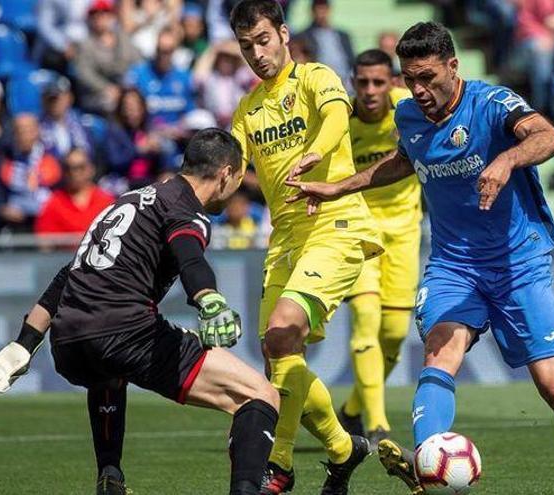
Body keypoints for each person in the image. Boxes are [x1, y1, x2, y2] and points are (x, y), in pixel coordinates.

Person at [286, 21, 554, 495]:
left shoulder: (492, 104)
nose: (418, 88)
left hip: (519, 265)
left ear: (453, 66)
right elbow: (404, 161)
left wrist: (507, 159)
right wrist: (336, 188)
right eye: (410, 78)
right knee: (441, 350)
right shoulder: (409, 116)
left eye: (428, 77)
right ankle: (428, 466)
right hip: (454, 266)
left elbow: (548, 137)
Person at [0, 128, 280, 495]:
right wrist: (209, 299)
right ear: (227, 174)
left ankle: (110, 476)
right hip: (123, 331)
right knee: (259, 394)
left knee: (108, 371)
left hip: (68, 340)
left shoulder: (129, 200)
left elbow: (68, 273)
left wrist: (25, 342)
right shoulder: (185, 208)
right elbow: (189, 256)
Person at [228, 1, 383, 493]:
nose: (257, 53)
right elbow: (228, 173)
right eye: (246, 45)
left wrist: (317, 150)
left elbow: (338, 116)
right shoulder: (247, 109)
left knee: (280, 333)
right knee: (279, 355)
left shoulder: (316, 77)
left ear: (283, 33)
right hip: (285, 240)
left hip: (335, 223)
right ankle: (343, 449)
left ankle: (282, 462)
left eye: (263, 40)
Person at [334, 49, 419, 448]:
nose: (370, 91)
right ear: (353, 82)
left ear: (392, 83)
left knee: (396, 333)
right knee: (366, 316)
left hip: (405, 230)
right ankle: (377, 424)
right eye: (363, 82)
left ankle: (351, 409)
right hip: (360, 228)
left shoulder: (410, 108)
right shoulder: (339, 120)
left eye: (379, 82)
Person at [0, 114, 62, 232]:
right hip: (16, 222)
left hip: (47, 219)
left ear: (37, 132)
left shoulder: (52, 160)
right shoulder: (4, 162)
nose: (24, 136)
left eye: (29, 131)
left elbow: (61, 194)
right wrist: (3, 210)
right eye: (19, 131)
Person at [75, 0, 141, 115]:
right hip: (98, 94)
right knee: (111, 102)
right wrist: (106, 88)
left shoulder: (122, 38)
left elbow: (138, 61)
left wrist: (128, 88)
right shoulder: (85, 44)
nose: (100, 18)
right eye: (96, 14)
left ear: (112, 16)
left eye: (104, 13)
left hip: (124, 88)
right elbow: (84, 74)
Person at [124, 28, 194, 133]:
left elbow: (189, 113)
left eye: (168, 51)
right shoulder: (138, 74)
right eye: (160, 50)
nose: (163, 55)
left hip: (177, 138)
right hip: (146, 135)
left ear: (174, 51)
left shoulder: (184, 77)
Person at [35, 148, 114, 234]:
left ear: (91, 169)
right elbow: (45, 242)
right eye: (68, 168)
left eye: (81, 167)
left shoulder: (107, 203)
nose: (74, 173)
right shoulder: (53, 204)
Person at [295, 0, 354, 86]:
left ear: (329, 10)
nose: (321, 14)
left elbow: (352, 59)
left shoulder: (343, 35)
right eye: (318, 10)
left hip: (346, 80)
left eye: (324, 9)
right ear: (312, 12)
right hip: (320, 80)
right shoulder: (303, 36)